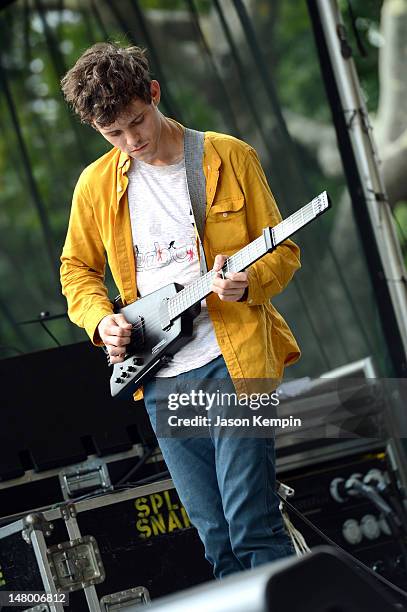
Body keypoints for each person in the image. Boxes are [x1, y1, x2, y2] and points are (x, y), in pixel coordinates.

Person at [60, 42, 301, 579]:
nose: (132, 141)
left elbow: (283, 249)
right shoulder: (95, 186)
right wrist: (103, 319)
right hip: (162, 377)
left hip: (233, 363)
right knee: (215, 535)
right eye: (114, 134)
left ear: (154, 93)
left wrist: (249, 283)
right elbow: (76, 269)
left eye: (136, 122)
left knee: (252, 525)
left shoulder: (228, 156)